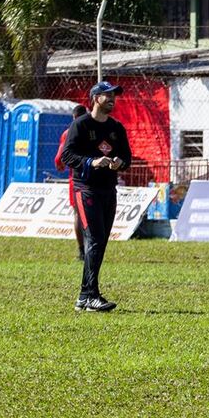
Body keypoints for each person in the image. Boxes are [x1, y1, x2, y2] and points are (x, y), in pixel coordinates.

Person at [60, 81, 132, 312]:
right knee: (95, 239)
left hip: (108, 190)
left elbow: (127, 157)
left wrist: (120, 162)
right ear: (95, 98)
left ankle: (85, 296)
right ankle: (90, 295)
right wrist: (92, 162)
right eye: (107, 95)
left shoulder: (116, 128)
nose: (112, 99)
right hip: (86, 189)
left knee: (100, 243)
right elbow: (67, 156)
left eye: (114, 95)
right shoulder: (80, 125)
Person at [55, 103, 88, 262]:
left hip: (75, 178)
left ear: (73, 118)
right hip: (95, 176)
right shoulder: (96, 130)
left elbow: (59, 159)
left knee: (77, 214)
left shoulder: (68, 133)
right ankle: (94, 249)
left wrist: (60, 166)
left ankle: (82, 251)